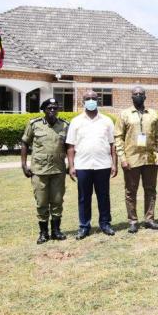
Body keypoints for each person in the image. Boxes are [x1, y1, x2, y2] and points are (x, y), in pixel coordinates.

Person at [66, 90, 117, 240]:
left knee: (104, 196)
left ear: (98, 100)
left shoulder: (107, 121)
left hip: (103, 165)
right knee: (84, 197)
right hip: (82, 165)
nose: (91, 100)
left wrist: (114, 164)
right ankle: (84, 226)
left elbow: (112, 144)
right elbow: (70, 146)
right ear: (83, 101)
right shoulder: (76, 121)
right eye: (87, 98)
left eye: (93, 98)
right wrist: (71, 166)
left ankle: (105, 224)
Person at [114, 87, 158, 234]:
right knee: (131, 191)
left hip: (150, 158)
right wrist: (122, 158)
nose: (138, 96)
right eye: (135, 94)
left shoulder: (153, 114)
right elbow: (118, 138)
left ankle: (149, 219)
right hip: (131, 159)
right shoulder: (124, 115)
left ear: (145, 96)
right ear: (131, 97)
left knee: (150, 190)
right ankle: (133, 221)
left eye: (140, 94)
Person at [21, 98, 69, 244]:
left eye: (55, 108)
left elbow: (70, 147)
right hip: (39, 171)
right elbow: (24, 143)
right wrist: (24, 164)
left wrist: (71, 165)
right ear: (44, 110)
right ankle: (43, 233)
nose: (52, 110)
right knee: (41, 202)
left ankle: (56, 231)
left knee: (57, 201)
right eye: (49, 108)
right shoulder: (34, 125)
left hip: (58, 170)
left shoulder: (65, 125)